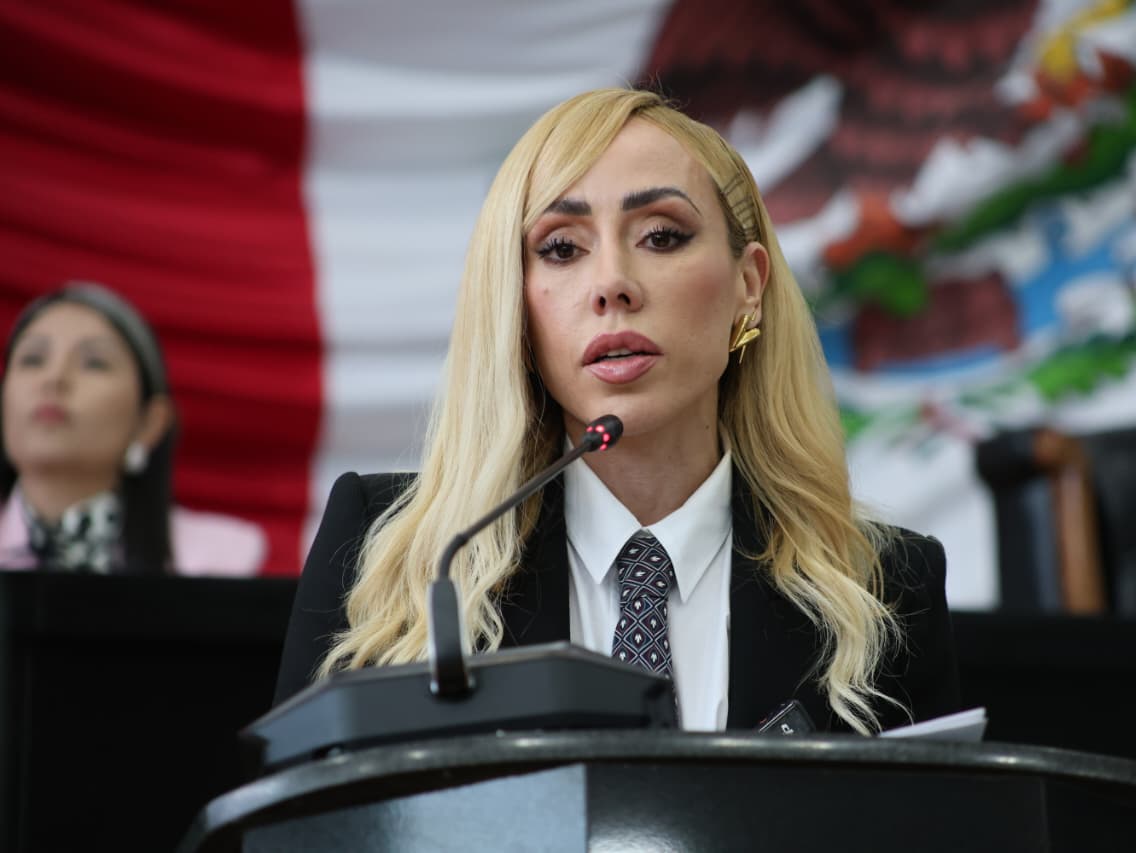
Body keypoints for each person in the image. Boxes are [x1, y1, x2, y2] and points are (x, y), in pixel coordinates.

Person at [274, 88, 961, 733]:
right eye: (561, 248)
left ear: (748, 286)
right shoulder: (395, 558)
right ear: (514, 304)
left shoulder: (885, 586)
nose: (611, 284)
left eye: (661, 236)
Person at [0, 283, 266, 576]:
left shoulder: (219, 559)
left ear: (149, 423)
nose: (53, 378)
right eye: (32, 360)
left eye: (94, 363)